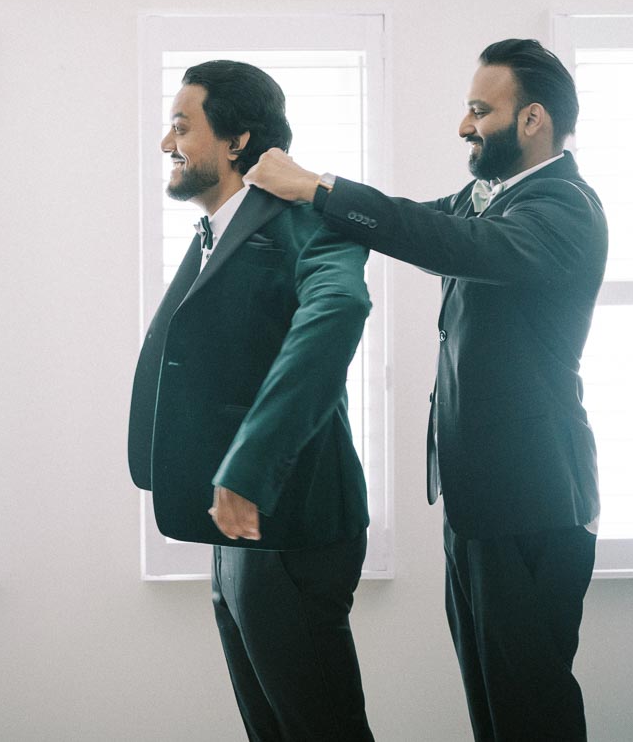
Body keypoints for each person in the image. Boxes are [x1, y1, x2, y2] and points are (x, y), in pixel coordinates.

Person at [246, 38, 608, 741]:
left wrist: (316, 185)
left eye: (480, 109)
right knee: (494, 705)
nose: (464, 125)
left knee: (531, 711)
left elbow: (448, 244)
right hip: (481, 501)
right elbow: (415, 219)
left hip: (534, 502)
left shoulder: (563, 207)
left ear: (533, 120)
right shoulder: (492, 196)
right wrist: (300, 211)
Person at [127, 59, 375, 741]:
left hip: (290, 517)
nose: (166, 143)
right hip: (235, 529)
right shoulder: (215, 229)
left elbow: (337, 316)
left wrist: (249, 466)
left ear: (236, 140)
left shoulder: (307, 222)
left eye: (182, 125)